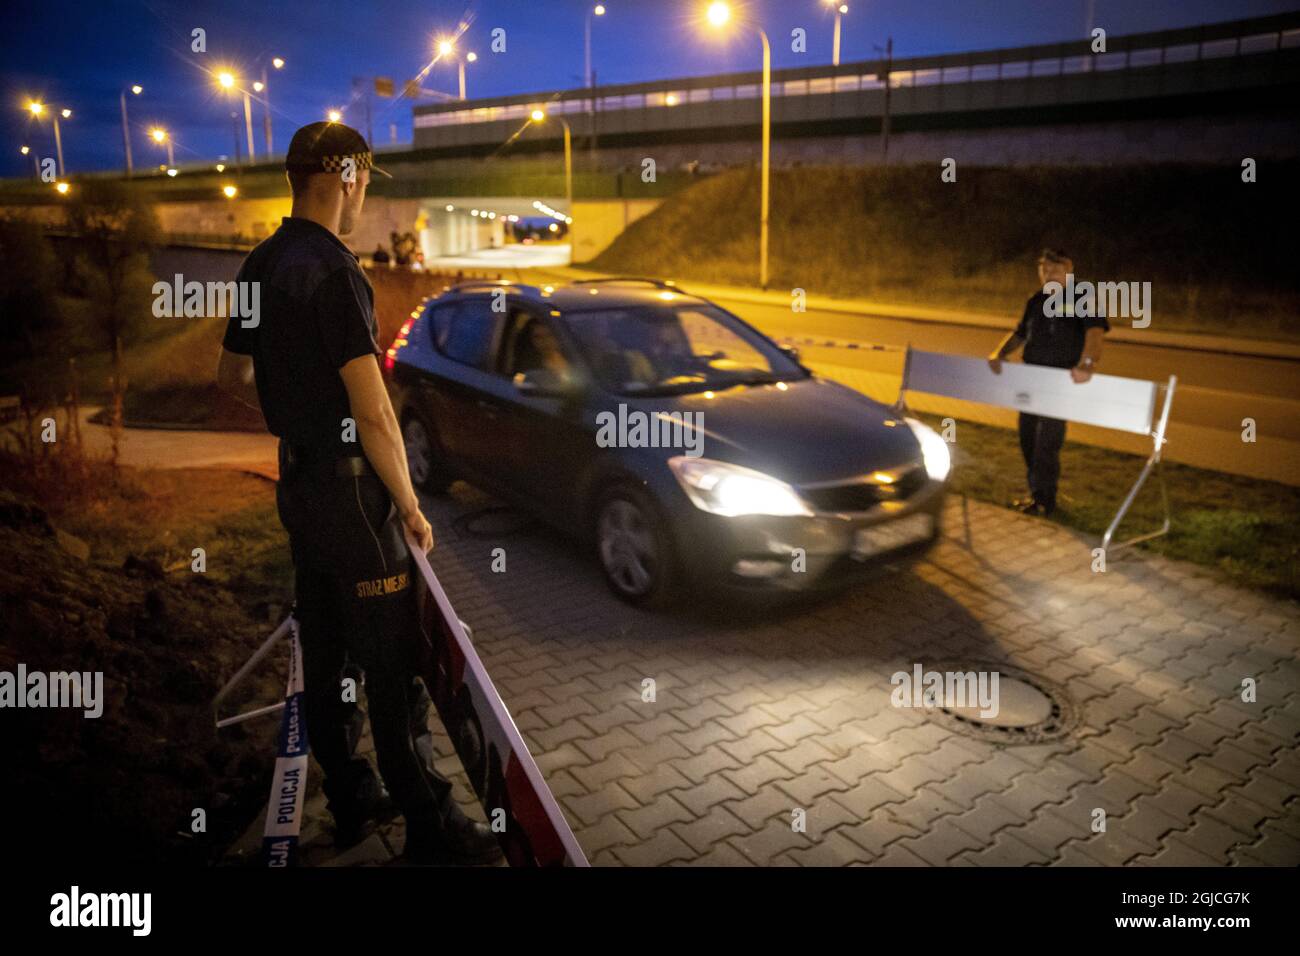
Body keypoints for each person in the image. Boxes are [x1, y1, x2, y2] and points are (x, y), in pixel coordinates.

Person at [216, 121, 500, 865]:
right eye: (365, 179)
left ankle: (352, 796)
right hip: (353, 501)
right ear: (346, 177)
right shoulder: (337, 273)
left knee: (327, 648)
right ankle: (432, 828)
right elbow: (374, 411)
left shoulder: (259, 264)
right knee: (391, 665)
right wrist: (408, 503)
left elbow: (234, 378)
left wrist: (296, 418)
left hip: (300, 487)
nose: (364, 193)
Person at [987, 247, 1108, 516]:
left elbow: (1095, 333)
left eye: (1055, 269)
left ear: (1069, 269)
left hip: (1059, 381)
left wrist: (1088, 364)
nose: (1048, 274)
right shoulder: (1036, 300)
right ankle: (1037, 494)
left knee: (1047, 441)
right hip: (1030, 378)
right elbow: (1020, 334)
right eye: (1044, 269)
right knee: (1027, 437)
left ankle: (1046, 501)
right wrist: (1000, 352)